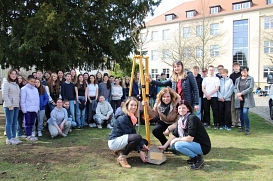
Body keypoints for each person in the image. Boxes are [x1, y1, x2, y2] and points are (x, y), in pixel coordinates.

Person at [158, 100, 211, 170]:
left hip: (203, 146)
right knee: (173, 145)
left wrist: (176, 139)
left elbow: (190, 138)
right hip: (195, 144)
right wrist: (164, 146)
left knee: (178, 145)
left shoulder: (192, 118)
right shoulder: (181, 119)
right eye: (179, 108)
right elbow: (175, 134)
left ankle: (197, 159)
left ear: (188, 109)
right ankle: (194, 156)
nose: (181, 110)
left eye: (183, 108)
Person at [108, 97, 149, 169]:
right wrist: (140, 151)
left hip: (122, 139)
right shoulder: (123, 117)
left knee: (144, 142)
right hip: (114, 141)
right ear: (127, 106)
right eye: (131, 105)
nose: (134, 107)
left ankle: (120, 150)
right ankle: (122, 157)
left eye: (135, 105)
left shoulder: (131, 116)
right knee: (137, 138)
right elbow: (131, 134)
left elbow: (133, 132)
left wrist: (142, 144)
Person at [234, 66, 255, 135]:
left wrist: (241, 93)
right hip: (239, 99)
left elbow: (250, 88)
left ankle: (247, 128)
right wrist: (238, 94)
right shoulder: (238, 79)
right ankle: (242, 126)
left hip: (246, 98)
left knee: (245, 113)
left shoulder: (250, 79)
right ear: (241, 72)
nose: (244, 72)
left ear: (247, 71)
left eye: (245, 71)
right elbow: (235, 88)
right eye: (242, 71)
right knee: (241, 114)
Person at [3, 69, 21, 145]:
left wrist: (18, 105)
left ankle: (14, 137)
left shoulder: (16, 84)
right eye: (12, 74)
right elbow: (4, 95)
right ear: (9, 75)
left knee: (14, 122)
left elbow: (18, 96)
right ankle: (9, 138)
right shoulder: (6, 83)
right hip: (9, 106)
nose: (14, 75)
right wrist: (9, 105)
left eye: (15, 74)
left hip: (16, 105)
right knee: (9, 122)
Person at [20, 75, 40, 141]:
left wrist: (37, 108)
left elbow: (37, 100)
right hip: (27, 109)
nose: (33, 83)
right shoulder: (24, 89)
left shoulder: (35, 89)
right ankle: (28, 135)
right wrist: (24, 109)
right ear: (28, 81)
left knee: (32, 122)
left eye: (34, 82)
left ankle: (31, 134)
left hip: (34, 109)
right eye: (31, 81)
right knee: (27, 122)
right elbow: (22, 100)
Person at [229, 62, 241, 128]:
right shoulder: (231, 75)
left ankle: (239, 122)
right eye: (235, 66)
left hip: (239, 94)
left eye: (237, 66)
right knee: (232, 109)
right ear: (233, 68)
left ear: (239, 67)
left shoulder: (241, 75)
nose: (236, 68)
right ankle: (233, 122)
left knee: (239, 108)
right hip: (233, 94)